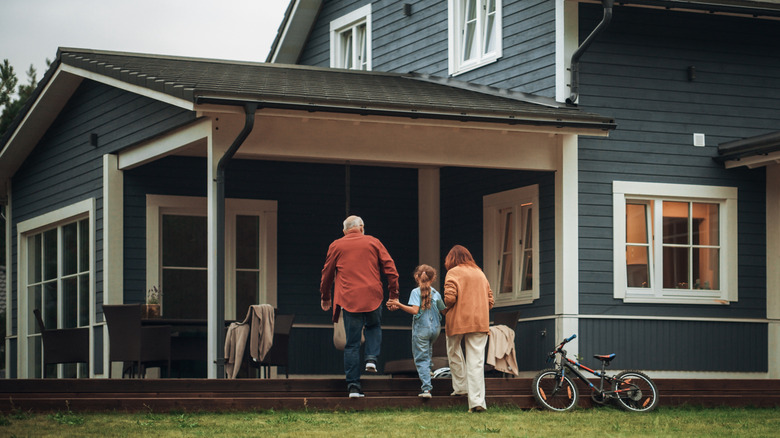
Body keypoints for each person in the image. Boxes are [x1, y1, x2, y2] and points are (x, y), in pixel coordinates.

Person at [320, 215, 399, 398]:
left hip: (349, 298)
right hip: (373, 296)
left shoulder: (336, 245)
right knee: (373, 326)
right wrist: (393, 294)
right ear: (362, 227)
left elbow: (327, 273)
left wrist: (325, 297)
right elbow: (391, 269)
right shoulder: (374, 242)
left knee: (352, 344)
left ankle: (354, 387)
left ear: (344, 231)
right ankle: (371, 358)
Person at [442, 245, 494, 413]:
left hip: (457, 321)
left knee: (454, 351)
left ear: (452, 258)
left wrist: (441, 308)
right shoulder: (480, 273)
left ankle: (460, 387)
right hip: (479, 321)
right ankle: (477, 402)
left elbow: (450, 298)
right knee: (476, 361)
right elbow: (490, 301)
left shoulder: (453, 272)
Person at [386, 264, 445, 398]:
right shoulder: (436, 293)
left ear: (416, 277)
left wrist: (399, 304)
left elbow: (414, 310)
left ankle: (426, 389)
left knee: (421, 359)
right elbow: (443, 309)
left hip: (422, 330)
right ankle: (428, 369)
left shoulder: (415, 292)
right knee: (428, 348)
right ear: (433, 278)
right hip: (435, 329)